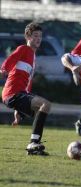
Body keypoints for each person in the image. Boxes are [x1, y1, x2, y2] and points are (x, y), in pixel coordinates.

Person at [0, 22, 51, 156]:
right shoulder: (23, 49)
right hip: (13, 93)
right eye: (35, 35)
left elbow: (27, 84)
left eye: (40, 36)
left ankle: (34, 146)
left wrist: (18, 110)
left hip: (19, 94)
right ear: (27, 37)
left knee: (43, 109)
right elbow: (9, 61)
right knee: (45, 104)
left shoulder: (32, 57)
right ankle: (34, 143)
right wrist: (3, 70)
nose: (38, 38)